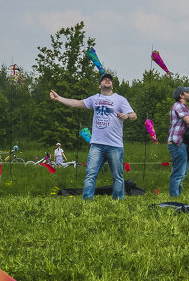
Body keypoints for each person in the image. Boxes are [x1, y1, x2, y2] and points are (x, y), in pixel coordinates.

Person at [50, 72, 137, 200]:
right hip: (97, 145)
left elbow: (134, 115)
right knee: (90, 174)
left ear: (112, 85)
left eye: (110, 80)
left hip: (115, 145)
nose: (107, 80)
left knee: (117, 176)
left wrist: (127, 116)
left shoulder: (120, 99)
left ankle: (118, 201)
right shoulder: (94, 99)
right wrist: (59, 98)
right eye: (104, 79)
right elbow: (76, 103)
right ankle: (87, 201)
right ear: (99, 85)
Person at [167, 86, 189, 198]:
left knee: (182, 173)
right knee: (178, 173)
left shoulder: (183, 107)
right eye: (187, 92)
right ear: (181, 95)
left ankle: (178, 195)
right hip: (177, 144)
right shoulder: (179, 106)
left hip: (181, 144)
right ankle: (174, 198)